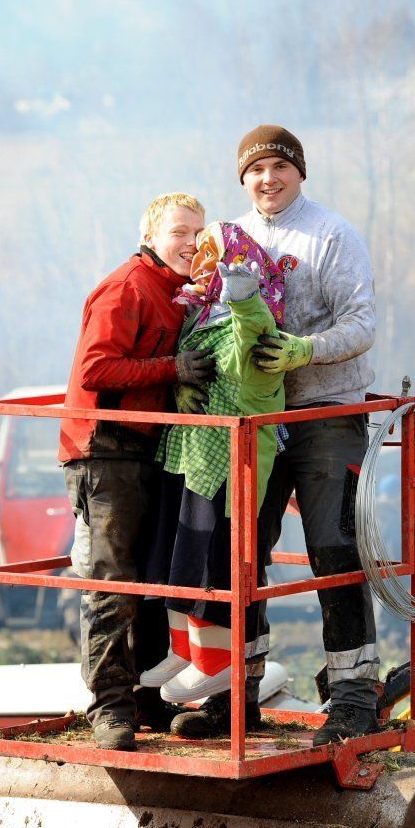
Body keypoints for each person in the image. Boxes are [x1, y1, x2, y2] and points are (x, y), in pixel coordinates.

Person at [218, 123, 378, 746]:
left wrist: (304, 350)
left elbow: (362, 323)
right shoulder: (228, 240)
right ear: (243, 179)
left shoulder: (332, 235)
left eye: (279, 167)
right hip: (255, 419)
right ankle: (236, 694)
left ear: (299, 172)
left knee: (334, 550)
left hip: (325, 412)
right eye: (255, 170)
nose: (268, 179)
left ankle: (354, 698)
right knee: (242, 550)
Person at [59, 192, 214, 752]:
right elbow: (96, 367)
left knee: (149, 578)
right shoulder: (128, 287)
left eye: (199, 232)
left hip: (148, 445)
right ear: (149, 235)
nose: (191, 242)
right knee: (114, 581)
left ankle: (145, 697)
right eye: (179, 231)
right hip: (105, 448)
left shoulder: (179, 292)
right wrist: (173, 368)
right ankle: (109, 707)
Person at [139, 222, 287, 738]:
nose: (201, 262)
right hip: (191, 454)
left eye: (213, 253)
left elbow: (253, 332)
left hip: (226, 464)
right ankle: (185, 651)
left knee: (213, 564)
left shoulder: (250, 318)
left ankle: (216, 661)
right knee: (177, 558)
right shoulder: (200, 312)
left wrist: (242, 293)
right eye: (199, 253)